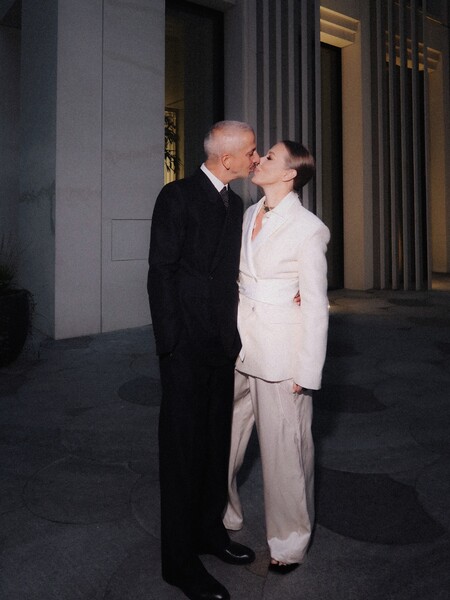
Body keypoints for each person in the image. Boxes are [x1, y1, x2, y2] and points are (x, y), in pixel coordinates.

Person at [147, 121, 260, 600]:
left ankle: (209, 534)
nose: (256, 158)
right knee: (182, 453)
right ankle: (178, 562)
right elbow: (161, 273)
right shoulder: (176, 197)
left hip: (221, 346)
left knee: (216, 445)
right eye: (251, 151)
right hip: (185, 349)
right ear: (227, 159)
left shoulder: (235, 203)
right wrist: (170, 345)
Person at [223, 141, 330, 574]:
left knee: (286, 452)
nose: (259, 160)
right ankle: (224, 512)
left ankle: (290, 543)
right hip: (238, 345)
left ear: (289, 174)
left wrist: (307, 369)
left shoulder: (309, 228)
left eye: (269, 157)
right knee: (223, 439)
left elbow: (316, 304)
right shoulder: (249, 213)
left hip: (282, 355)